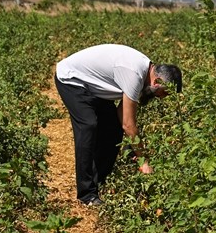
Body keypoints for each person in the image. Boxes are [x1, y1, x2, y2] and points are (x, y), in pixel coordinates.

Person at [54, 44, 182, 206]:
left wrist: (133, 148)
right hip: (72, 79)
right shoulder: (134, 74)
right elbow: (128, 124)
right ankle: (87, 194)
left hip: (93, 86)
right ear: (157, 82)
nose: (162, 98)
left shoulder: (144, 74)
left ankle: (98, 182)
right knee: (88, 125)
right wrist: (144, 161)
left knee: (113, 129)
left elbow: (122, 115)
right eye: (164, 93)